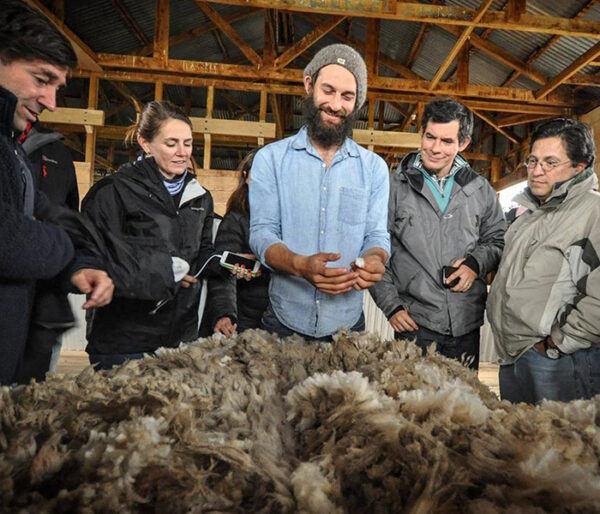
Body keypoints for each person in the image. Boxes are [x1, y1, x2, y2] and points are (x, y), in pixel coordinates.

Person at [0, 0, 113, 385]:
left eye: (56, 87)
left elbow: (55, 214)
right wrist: (64, 247)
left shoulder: (12, 149)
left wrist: (77, 260)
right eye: (41, 79)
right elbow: (8, 239)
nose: (50, 102)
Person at [249, 44, 390, 340]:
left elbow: (376, 236)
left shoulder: (374, 168)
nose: (336, 105)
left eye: (347, 96)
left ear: (357, 104)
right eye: (328, 90)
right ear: (309, 85)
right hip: (284, 321)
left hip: (347, 326)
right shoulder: (271, 159)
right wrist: (299, 265)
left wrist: (376, 259)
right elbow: (262, 233)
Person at [370, 98, 505, 370]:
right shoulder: (393, 188)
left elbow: (497, 239)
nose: (435, 148)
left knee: (463, 407)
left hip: (465, 323)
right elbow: (373, 247)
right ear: (421, 133)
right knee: (410, 405)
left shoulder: (481, 190)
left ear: (463, 143)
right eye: (430, 137)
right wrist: (391, 306)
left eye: (446, 141)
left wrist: (475, 265)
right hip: (414, 323)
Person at [82, 100, 217, 370]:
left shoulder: (200, 197)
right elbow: (94, 259)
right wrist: (167, 273)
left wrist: (222, 262)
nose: (183, 153)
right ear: (145, 143)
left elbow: (202, 250)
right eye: (171, 144)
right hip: (124, 341)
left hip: (180, 340)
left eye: (188, 143)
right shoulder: (113, 192)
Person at [487, 118, 600, 404]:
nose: (536, 171)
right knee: (520, 444)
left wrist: (558, 344)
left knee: (561, 444)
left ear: (579, 167)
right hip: (513, 355)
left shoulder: (594, 212)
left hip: (558, 361)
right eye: (533, 160)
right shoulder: (530, 214)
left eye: (550, 163)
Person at [15, 123, 79, 382]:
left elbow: (68, 221)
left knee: (28, 400)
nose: (50, 101)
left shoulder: (58, 154)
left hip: (42, 306)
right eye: (41, 81)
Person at [209, 150, 270, 336]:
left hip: (281, 317)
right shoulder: (236, 219)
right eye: (258, 172)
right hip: (248, 319)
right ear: (246, 175)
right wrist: (225, 313)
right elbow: (222, 270)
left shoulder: (287, 217)